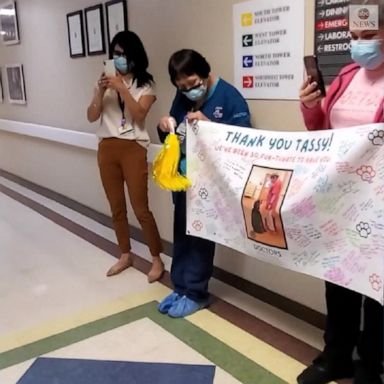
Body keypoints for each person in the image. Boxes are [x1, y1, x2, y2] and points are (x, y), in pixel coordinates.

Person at [297, 1, 384, 383]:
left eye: (369, 36)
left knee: (378, 289)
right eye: (353, 37)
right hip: (341, 200)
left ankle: (372, 364)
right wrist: (311, 106)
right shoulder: (348, 75)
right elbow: (323, 134)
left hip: (379, 203)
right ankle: (336, 356)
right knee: (339, 280)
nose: (360, 45)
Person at [156, 49, 252, 318]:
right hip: (184, 179)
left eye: (194, 84)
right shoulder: (182, 96)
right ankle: (181, 287)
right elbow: (174, 134)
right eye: (182, 87)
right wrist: (165, 125)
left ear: (206, 74)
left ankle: (196, 293)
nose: (189, 91)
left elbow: (245, 141)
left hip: (211, 184)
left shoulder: (229, 97)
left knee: (200, 237)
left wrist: (211, 124)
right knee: (182, 235)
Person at [87, 30, 164, 282]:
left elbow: (139, 115)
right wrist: (100, 92)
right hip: (107, 147)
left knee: (141, 207)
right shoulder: (105, 83)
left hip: (133, 147)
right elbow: (91, 116)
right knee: (116, 207)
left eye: (122, 54)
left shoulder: (145, 84)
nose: (118, 58)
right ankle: (125, 254)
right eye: (115, 54)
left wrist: (122, 89)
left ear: (133, 55)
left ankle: (156, 259)